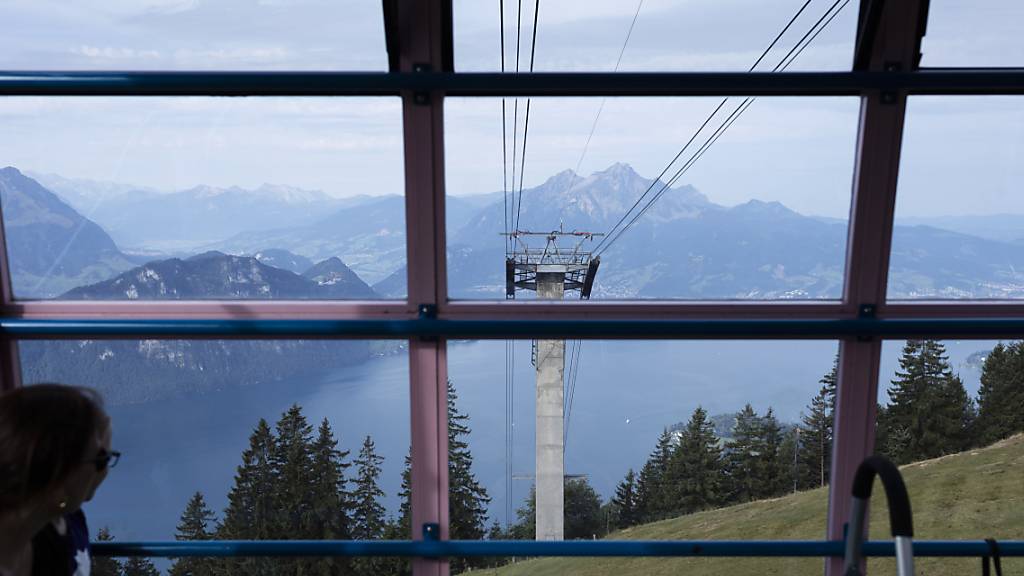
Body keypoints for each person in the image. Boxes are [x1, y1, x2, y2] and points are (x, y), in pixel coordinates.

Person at [0, 384, 118, 576]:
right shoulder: (49, 538)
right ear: (55, 483)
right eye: (100, 460)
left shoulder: (46, 533)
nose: (103, 471)